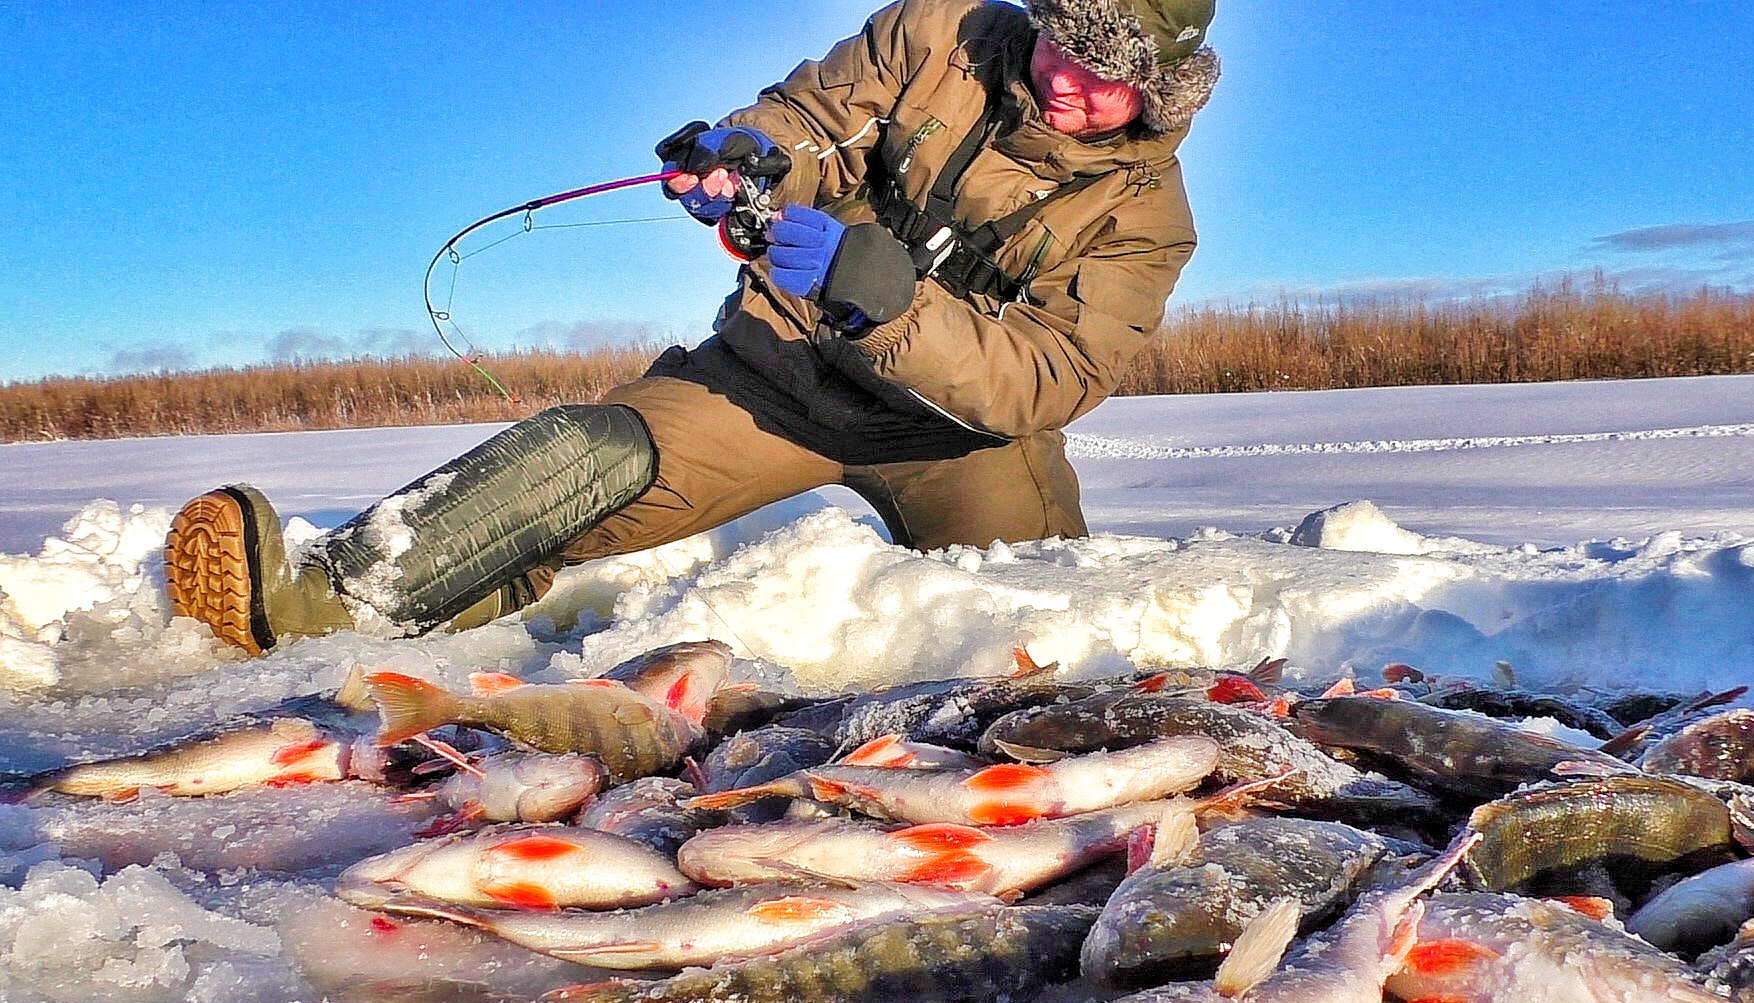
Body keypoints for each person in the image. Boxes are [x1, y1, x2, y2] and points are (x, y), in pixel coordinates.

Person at [164, 0, 1221, 655]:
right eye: (1063, 42)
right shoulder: (940, 32)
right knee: (586, 464)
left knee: (1049, 636)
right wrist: (750, 155)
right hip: (777, 376)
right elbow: (813, 124)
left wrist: (893, 300)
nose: (1068, 82)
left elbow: (1053, 374)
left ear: (1159, 95)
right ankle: (322, 601)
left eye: (1109, 76)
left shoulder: (1147, 218)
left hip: (959, 435)